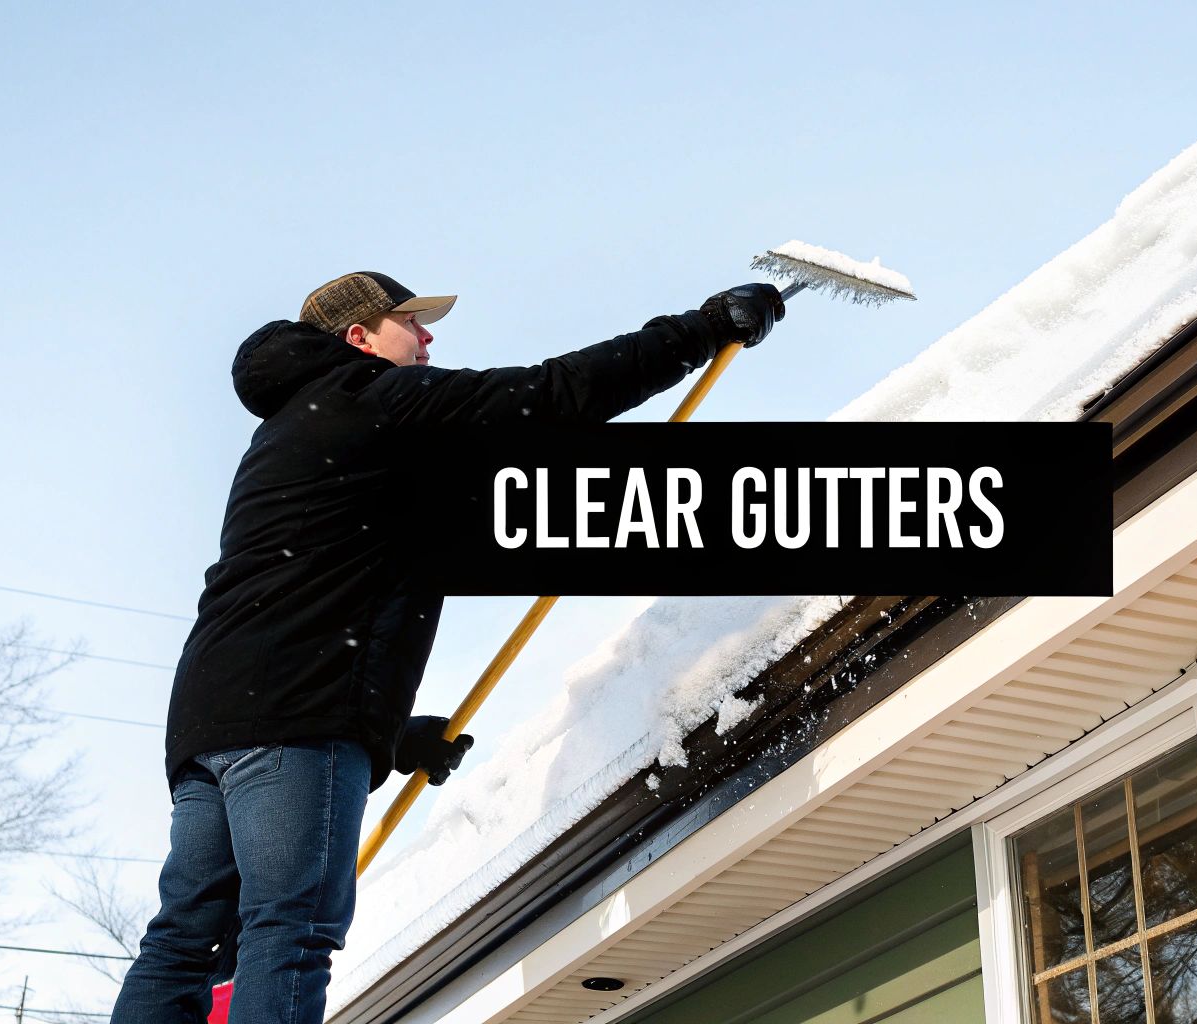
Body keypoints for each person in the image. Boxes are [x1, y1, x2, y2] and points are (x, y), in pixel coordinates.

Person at [111, 271, 785, 1023]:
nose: (428, 338)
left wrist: (391, 740)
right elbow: (551, 397)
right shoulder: (371, 399)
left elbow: (304, 601)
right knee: (290, 929)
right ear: (358, 338)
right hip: (296, 726)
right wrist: (699, 330)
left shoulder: (285, 435)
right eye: (411, 322)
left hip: (214, 728)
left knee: (182, 942)